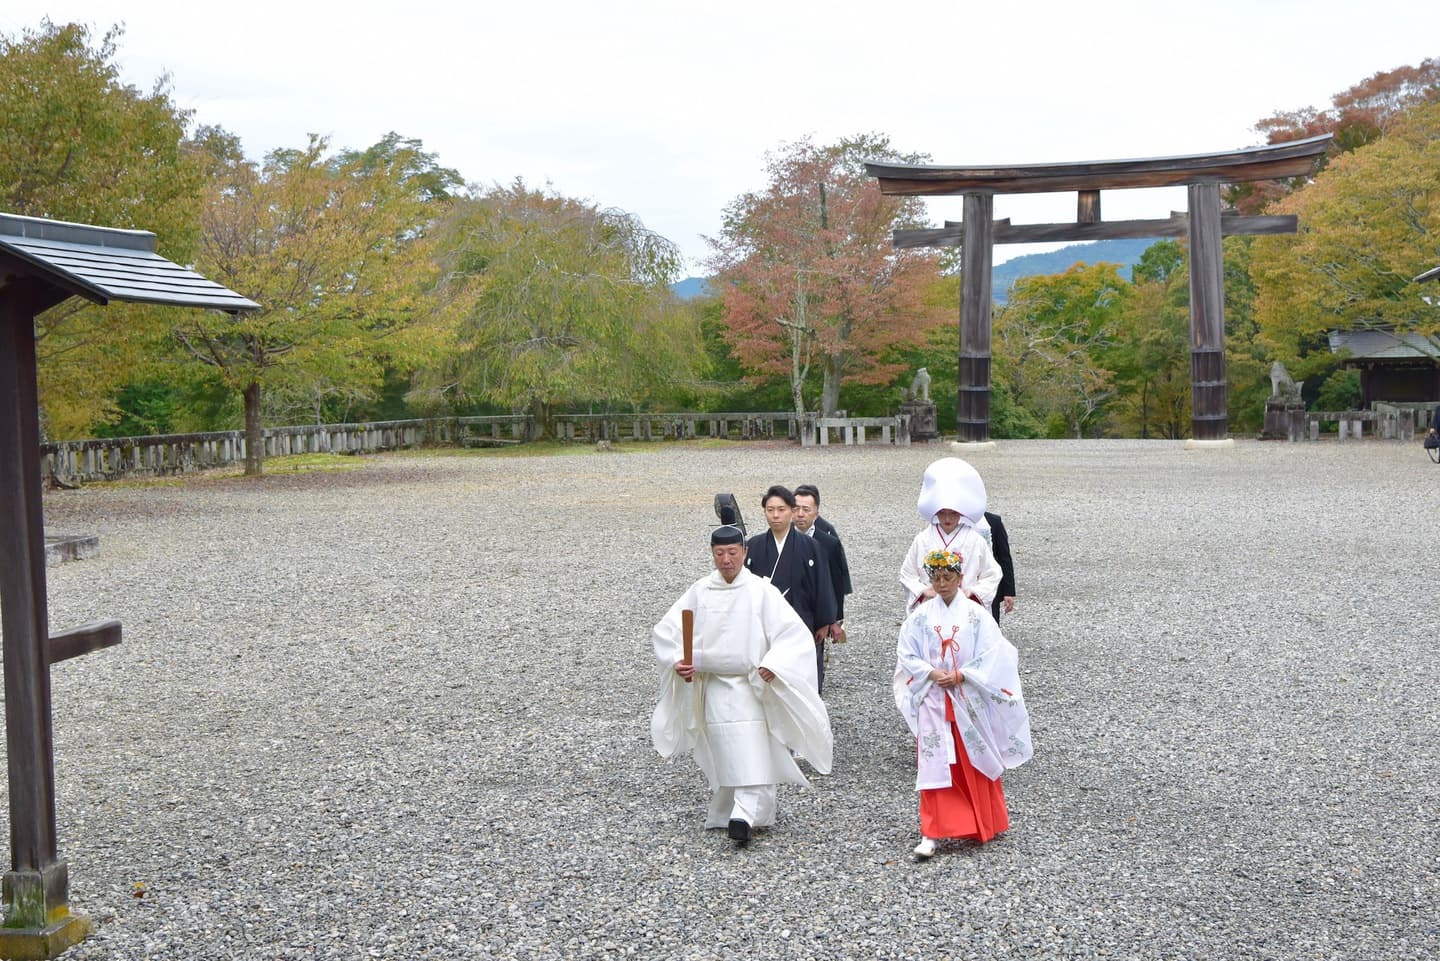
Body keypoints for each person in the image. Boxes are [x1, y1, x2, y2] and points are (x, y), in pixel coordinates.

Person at [651, 524, 833, 846]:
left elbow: (792, 634)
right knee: (726, 749)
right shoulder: (701, 590)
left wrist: (773, 663)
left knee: (750, 747)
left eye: (733, 553)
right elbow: (668, 630)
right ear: (712, 554)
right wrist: (679, 659)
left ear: (744, 553)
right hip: (715, 684)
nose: (726, 560)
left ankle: (744, 816)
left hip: (749, 683)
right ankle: (733, 811)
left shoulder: (761, 591)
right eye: (719, 554)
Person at [894, 549, 1032, 859]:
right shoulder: (920, 617)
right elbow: (907, 653)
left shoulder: (976, 614)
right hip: (933, 696)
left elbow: (994, 652)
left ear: (960, 578)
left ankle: (981, 820)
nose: (941, 584)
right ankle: (931, 831)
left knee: (972, 760)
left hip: (967, 696)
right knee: (933, 764)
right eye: (936, 578)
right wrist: (931, 671)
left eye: (948, 577)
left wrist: (963, 674)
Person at [745, 485, 838, 692]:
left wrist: (824, 621)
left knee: (802, 681)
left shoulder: (811, 546)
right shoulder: (754, 546)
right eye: (770, 510)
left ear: (791, 511)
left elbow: (822, 584)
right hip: (764, 625)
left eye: (781, 509)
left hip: (802, 622)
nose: (775, 515)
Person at [899, 458, 1001, 612]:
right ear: (935, 512)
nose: (947, 519)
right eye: (942, 513)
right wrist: (923, 590)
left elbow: (992, 573)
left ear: (961, 513)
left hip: (965, 604)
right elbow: (907, 573)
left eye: (953, 513)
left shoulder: (974, 540)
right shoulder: (923, 540)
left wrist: (973, 592)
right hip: (931, 604)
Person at [793, 484, 851, 645]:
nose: (800, 514)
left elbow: (836, 583)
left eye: (806, 509)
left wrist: (835, 620)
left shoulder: (828, 542)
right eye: (796, 509)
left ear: (816, 514)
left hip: (817, 616)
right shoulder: (780, 538)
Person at [985, 510, 1016, 625]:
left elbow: (1004, 558)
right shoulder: (952, 522)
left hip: (990, 584)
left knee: (991, 624)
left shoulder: (993, 521)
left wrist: (1008, 591)